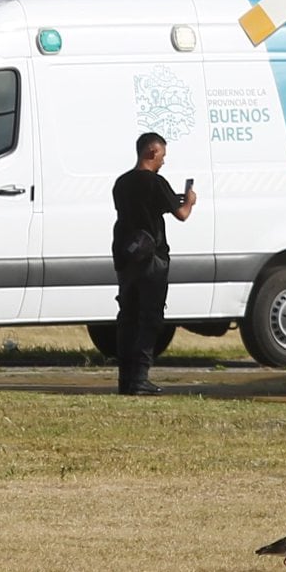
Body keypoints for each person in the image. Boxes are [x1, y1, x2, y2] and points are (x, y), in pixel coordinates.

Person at [110, 131, 196, 396]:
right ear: (151, 152)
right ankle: (140, 378)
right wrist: (189, 201)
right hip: (152, 259)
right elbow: (181, 214)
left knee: (127, 318)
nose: (163, 161)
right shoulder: (156, 183)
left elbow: (134, 210)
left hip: (126, 256)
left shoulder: (121, 183)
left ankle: (125, 379)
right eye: (162, 156)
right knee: (150, 318)